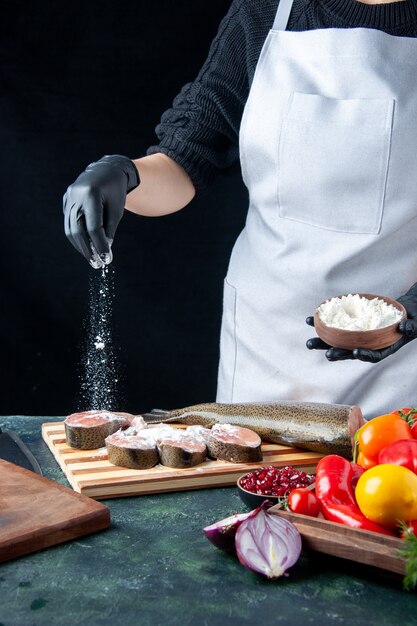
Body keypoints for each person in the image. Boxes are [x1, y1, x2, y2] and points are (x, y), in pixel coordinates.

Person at [63, 0, 417, 419]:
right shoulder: (264, 12)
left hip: (403, 358)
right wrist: (124, 175)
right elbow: (187, 158)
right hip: (267, 347)